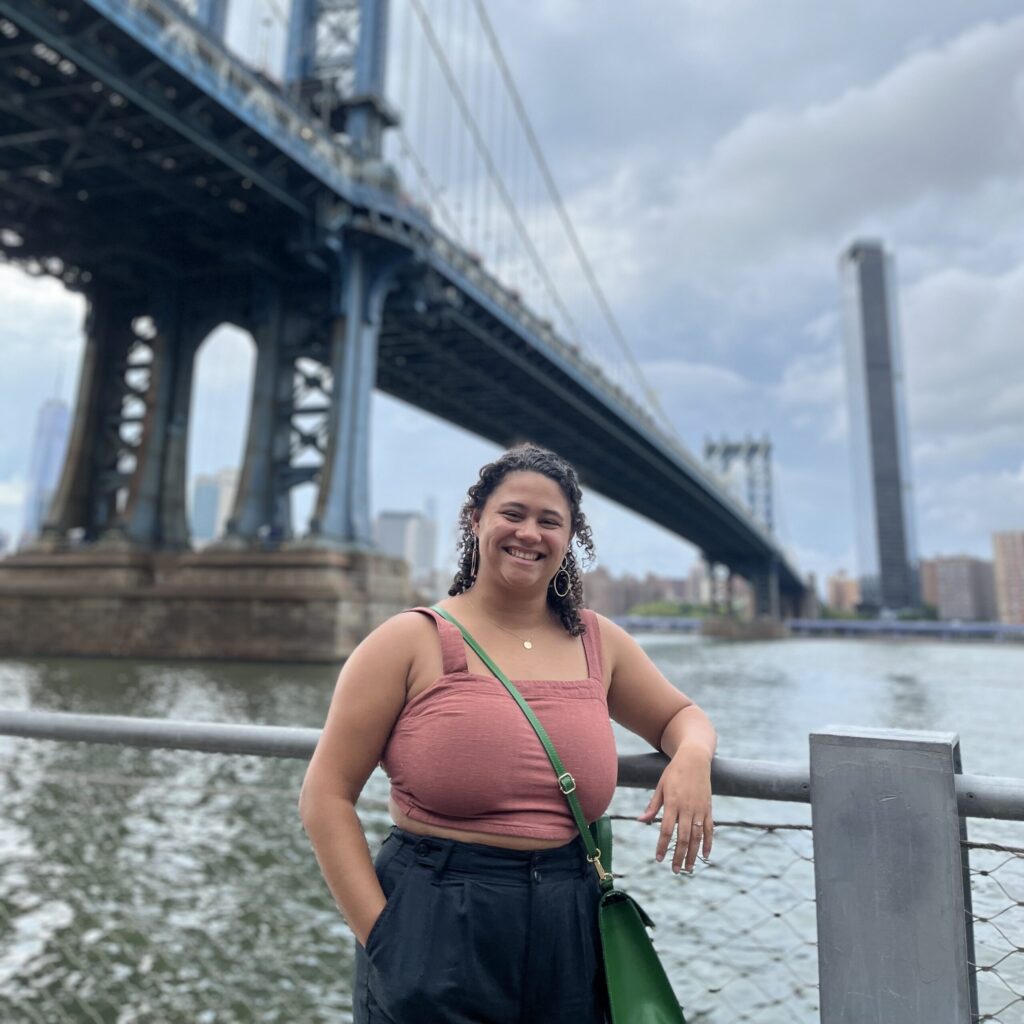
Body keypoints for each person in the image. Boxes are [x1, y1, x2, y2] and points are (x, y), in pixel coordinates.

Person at [299, 443, 716, 1024]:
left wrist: (692, 757)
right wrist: (388, 940)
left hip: (571, 920)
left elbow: (680, 717)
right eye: (512, 514)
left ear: (570, 539)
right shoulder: (408, 641)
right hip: (437, 913)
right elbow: (325, 795)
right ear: (476, 521)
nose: (530, 533)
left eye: (551, 521)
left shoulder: (600, 641)